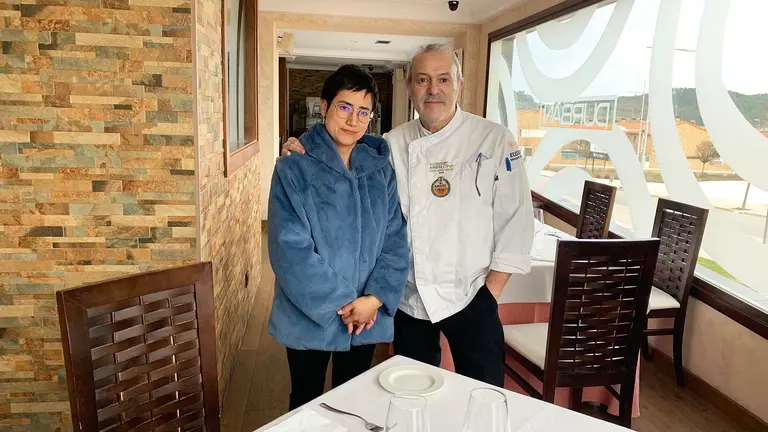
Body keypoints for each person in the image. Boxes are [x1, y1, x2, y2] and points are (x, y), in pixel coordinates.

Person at [281, 44, 534, 388]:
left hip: (471, 294)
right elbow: (345, 159)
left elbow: (517, 222)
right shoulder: (389, 144)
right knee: (411, 391)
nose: (434, 89)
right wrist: (303, 147)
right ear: (410, 88)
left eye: (444, 79)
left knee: (484, 391)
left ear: (459, 86)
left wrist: (490, 294)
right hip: (409, 298)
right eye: (423, 80)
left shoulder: (495, 139)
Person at [267, 64, 410, 410]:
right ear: (324, 105)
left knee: (356, 403)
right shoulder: (294, 167)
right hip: (311, 314)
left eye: (363, 112)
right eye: (344, 107)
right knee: (306, 401)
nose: (353, 121)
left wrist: (374, 299)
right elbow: (290, 249)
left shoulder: (381, 171)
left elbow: (395, 239)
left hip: (367, 316)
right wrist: (348, 305)